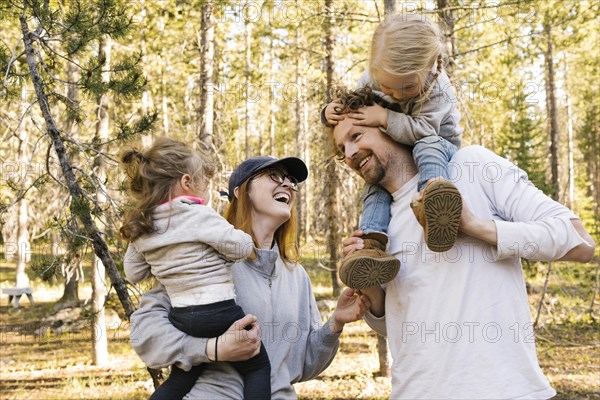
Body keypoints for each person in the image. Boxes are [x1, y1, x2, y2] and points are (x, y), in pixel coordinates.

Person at [331, 87, 595, 399]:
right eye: (340, 149)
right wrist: (371, 289)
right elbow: (400, 327)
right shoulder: (377, 225)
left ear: (392, 123)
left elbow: (578, 241)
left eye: (357, 136)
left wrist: (476, 227)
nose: (348, 156)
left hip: (503, 391)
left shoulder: (471, 166)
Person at [129, 154, 370, 399]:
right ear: (241, 191)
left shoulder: (296, 275)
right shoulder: (202, 256)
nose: (287, 184)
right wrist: (211, 349)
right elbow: (146, 334)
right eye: (274, 176)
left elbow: (303, 366)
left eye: (291, 181)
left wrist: (335, 323)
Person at [120, 137, 271, 400]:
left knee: (180, 378)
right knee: (257, 366)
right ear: (187, 182)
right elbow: (239, 248)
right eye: (204, 183)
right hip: (219, 311)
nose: (206, 191)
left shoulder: (142, 227)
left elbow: (134, 272)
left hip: (181, 318)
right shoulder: (199, 215)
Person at [323, 14, 464, 290]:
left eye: (408, 87)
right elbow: (353, 105)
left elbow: (425, 130)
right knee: (375, 189)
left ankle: (434, 201)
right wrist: (327, 112)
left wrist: (385, 118)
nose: (397, 96)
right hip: (403, 144)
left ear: (431, 65)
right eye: (387, 88)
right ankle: (372, 244)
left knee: (428, 146)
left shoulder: (440, 91)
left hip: (437, 146)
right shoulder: (373, 76)